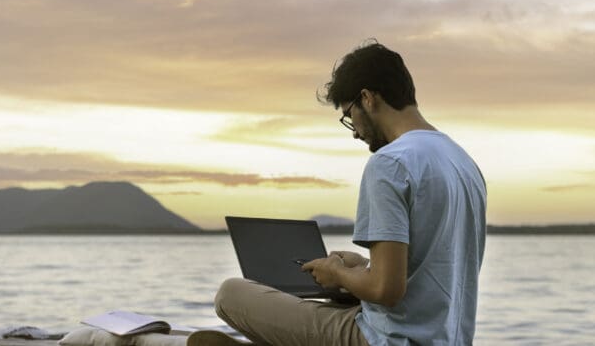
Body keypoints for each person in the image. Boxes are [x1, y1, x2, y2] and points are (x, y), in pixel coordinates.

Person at [207, 40, 487, 346]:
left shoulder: (390, 163)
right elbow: (431, 271)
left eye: (348, 115)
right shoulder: (463, 163)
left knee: (231, 294)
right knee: (331, 302)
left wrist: (338, 274)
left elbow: (385, 291)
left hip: (384, 339)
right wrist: (364, 267)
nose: (354, 130)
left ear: (367, 98)